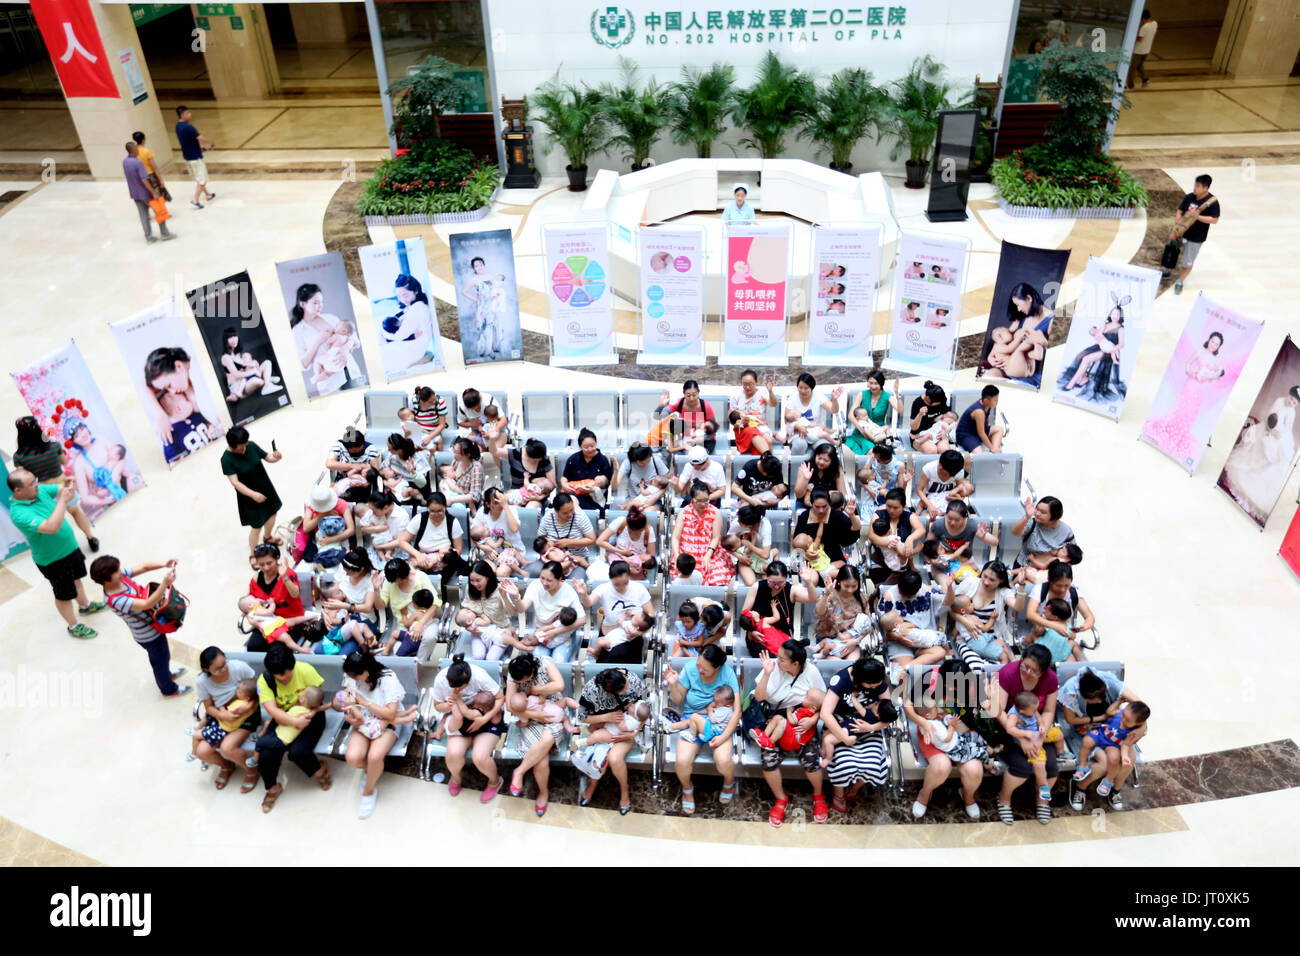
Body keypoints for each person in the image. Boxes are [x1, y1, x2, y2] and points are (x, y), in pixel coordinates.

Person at [6, 470, 106, 638]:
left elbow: (61, 490)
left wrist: (68, 485)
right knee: (63, 595)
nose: (36, 484)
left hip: (70, 548)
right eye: (31, 483)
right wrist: (64, 501)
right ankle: (73, 626)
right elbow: (51, 527)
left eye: (35, 480)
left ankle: (85, 606)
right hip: (53, 560)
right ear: (18, 491)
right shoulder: (19, 513)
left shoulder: (39, 490)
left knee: (77, 580)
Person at [745, 643, 830, 825]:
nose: (778, 660)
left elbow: (825, 702)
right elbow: (759, 697)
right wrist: (767, 673)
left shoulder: (811, 672)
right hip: (776, 717)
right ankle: (780, 798)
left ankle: (818, 795)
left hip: (803, 718)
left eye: (782, 659)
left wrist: (813, 719)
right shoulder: (774, 668)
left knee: (811, 760)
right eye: (778, 656)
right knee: (768, 760)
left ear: (796, 664)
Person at [89, 554, 190, 696]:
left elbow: (144, 567)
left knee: (163, 656)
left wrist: (164, 564)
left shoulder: (119, 577)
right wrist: (164, 585)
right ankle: (168, 688)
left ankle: (166, 674)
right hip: (148, 635)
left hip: (154, 627)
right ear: (106, 580)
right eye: (117, 572)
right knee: (160, 661)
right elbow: (146, 604)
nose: (121, 573)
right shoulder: (115, 599)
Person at [253, 644, 332, 812]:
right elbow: (272, 710)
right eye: (278, 677)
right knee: (267, 753)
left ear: (292, 666)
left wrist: (305, 717)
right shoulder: (265, 681)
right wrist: (293, 721)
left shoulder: (304, 670)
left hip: (311, 715)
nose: (283, 679)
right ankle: (272, 788)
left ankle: (319, 770)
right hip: (284, 716)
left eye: (286, 675)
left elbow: (317, 700)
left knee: (298, 752)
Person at [664, 645, 741, 814]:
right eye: (698, 664)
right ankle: (687, 789)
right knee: (682, 761)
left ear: (717, 668)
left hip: (720, 722)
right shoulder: (690, 668)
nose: (699, 669)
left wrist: (723, 737)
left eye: (704, 668)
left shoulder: (727, 674)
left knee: (723, 761)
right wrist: (674, 684)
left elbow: (737, 711)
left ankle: (729, 783)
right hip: (692, 718)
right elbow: (677, 701)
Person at [340, 651, 411, 818]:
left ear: (366, 671)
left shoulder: (387, 679)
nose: (353, 679)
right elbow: (348, 700)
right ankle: (372, 771)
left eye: (356, 675)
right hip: (365, 720)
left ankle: (368, 790)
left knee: (374, 756)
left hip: (389, 720)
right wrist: (350, 715)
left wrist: (365, 703)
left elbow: (391, 713)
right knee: (353, 758)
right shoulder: (351, 676)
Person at [993, 644, 1058, 825]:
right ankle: (1004, 800)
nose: (1028, 672)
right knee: (1022, 767)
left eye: (1034, 670)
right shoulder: (1007, 673)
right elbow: (998, 711)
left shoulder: (1051, 680)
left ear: (1044, 671)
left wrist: (1041, 735)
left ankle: (1042, 800)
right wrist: (1021, 738)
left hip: (1036, 730)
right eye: (1025, 666)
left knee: (1051, 766)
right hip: (1008, 729)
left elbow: (1049, 711)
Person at [12, 416, 97, 550]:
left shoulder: (19, 457)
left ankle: (70, 547)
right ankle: (91, 538)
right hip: (63, 485)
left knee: (56, 521)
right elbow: (64, 461)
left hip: (42, 493)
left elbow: (24, 478)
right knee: (75, 511)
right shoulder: (53, 445)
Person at [820, 657, 894, 812]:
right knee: (843, 763)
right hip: (841, 725)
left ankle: (855, 788)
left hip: (870, 726)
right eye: (872, 685)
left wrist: (871, 727)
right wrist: (844, 737)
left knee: (872, 764)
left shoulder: (878, 679)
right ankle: (838, 793)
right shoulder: (841, 680)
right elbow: (825, 714)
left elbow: (888, 714)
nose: (876, 687)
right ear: (861, 680)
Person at [503, 654, 573, 816]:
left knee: (548, 737)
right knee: (540, 761)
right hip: (530, 713)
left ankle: (519, 772)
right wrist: (535, 716)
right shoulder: (514, 675)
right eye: (518, 682)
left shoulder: (544, 662)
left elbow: (559, 685)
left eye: (524, 681)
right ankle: (543, 792)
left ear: (532, 671)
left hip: (553, 708)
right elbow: (509, 706)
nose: (521, 684)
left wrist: (536, 690)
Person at [432, 654, 506, 802]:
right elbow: (437, 706)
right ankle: (456, 778)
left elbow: (500, 698)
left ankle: (494, 781)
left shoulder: (479, 676)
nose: (456, 689)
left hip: (487, 716)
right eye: (453, 686)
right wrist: (450, 704)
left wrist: (485, 717)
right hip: (460, 718)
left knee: (480, 757)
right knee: (453, 754)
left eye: (459, 687)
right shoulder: (441, 680)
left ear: (468, 682)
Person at [574, 667, 648, 812]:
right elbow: (581, 716)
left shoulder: (632, 679)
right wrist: (605, 717)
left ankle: (624, 790)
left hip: (625, 733)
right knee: (599, 754)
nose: (628, 690)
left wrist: (634, 733)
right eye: (623, 691)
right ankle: (593, 782)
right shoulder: (592, 691)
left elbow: (646, 711)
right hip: (603, 727)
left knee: (614, 758)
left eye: (626, 684)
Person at [1221, 385, 1300, 520]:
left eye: (1294, 402)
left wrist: (1281, 435)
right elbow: (1270, 417)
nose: (1291, 403)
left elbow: (1287, 428)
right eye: (1291, 399)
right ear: (1289, 395)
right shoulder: (1280, 401)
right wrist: (1272, 430)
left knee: (1282, 454)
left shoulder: (1292, 411)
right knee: (1264, 447)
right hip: (1268, 427)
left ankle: (1263, 485)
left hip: (1279, 433)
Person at [192, 648, 261, 793]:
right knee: (202, 752)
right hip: (221, 716)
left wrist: (248, 706)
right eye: (217, 669)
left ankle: (251, 771)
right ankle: (227, 766)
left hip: (246, 716)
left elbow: (260, 691)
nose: (223, 670)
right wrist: (223, 716)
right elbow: (209, 707)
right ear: (206, 670)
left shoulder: (239, 668)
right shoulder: (202, 682)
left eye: (224, 664)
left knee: (227, 747)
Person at [290, 283, 363, 395]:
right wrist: (317, 342)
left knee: (361, 398)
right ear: (303, 304)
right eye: (315, 303)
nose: (320, 306)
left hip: (348, 369)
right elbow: (303, 364)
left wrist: (346, 348)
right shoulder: (298, 331)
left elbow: (352, 335)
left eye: (321, 302)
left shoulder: (330, 318)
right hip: (329, 380)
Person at [220, 426, 283, 554]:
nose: (246, 444)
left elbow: (268, 457)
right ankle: (253, 553)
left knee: (272, 513)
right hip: (249, 496)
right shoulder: (226, 459)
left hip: (265, 488)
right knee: (256, 527)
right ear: (233, 445)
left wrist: (276, 457)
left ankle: (268, 537)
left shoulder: (251, 446)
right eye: (243, 444)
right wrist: (253, 494)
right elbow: (235, 482)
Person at [982, 283, 1053, 387]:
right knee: (989, 377)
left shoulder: (1050, 321)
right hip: (1009, 367)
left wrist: (1043, 342)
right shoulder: (1021, 317)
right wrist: (990, 357)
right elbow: (1001, 339)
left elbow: (1054, 356)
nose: (1018, 309)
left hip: (1028, 373)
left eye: (1019, 305)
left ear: (1029, 298)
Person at [396, 492, 471, 588]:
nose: (436, 515)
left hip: (445, 559)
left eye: (440, 511)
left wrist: (440, 560)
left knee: (438, 582)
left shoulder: (452, 522)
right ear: (428, 509)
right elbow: (402, 541)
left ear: (445, 508)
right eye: (432, 511)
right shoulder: (420, 519)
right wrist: (418, 555)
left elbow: (458, 550)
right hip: (422, 557)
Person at [740, 560, 818, 652]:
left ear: (786, 579)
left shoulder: (791, 590)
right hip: (759, 637)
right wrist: (751, 632)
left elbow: (812, 598)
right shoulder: (757, 587)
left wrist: (808, 582)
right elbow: (744, 615)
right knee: (770, 658)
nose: (776, 586)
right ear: (767, 578)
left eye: (780, 582)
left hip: (783, 638)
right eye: (772, 582)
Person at [1059, 299, 1128, 398]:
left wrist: (1111, 350)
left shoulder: (1120, 328)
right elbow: (1098, 335)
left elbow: (1121, 344)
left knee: (1086, 359)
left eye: (1117, 315)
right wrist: (1097, 330)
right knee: (1080, 356)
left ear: (1120, 316)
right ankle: (1083, 378)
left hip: (1109, 351)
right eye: (1113, 313)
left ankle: (1071, 383)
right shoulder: (1106, 324)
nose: (1114, 316)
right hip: (1100, 346)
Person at [515, 562, 584, 661]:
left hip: (563, 634)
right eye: (542, 578)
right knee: (539, 663)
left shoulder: (568, 591)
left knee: (558, 662)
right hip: (541, 634)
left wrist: (555, 632)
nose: (544, 583)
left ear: (559, 579)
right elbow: (521, 608)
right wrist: (516, 597)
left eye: (549, 580)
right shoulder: (535, 585)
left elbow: (582, 620)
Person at [455, 561, 520, 661]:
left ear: (487, 577)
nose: (474, 584)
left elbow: (512, 613)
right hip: (479, 631)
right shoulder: (470, 589)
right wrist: (469, 628)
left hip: (499, 630)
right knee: (478, 656)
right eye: (472, 580)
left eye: (478, 580)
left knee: (491, 659)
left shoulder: (499, 590)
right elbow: (465, 614)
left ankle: (506, 645)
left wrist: (505, 597)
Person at [793, 489, 860, 585]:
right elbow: (796, 542)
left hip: (834, 557)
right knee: (811, 580)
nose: (821, 510)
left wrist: (852, 515)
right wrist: (805, 554)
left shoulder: (836, 515)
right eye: (817, 507)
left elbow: (854, 533)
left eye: (824, 506)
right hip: (812, 562)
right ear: (811, 503)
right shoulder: (804, 516)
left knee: (847, 576)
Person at [670, 481, 731, 586]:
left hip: (710, 551)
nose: (703, 504)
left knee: (717, 578)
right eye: (699, 501)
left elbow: (716, 537)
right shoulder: (683, 513)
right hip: (687, 555)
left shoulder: (715, 512)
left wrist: (708, 555)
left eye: (706, 500)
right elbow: (675, 538)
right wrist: (677, 558)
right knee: (683, 579)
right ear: (692, 499)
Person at [1170, 174, 1219, 294]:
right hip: (1182, 232)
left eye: (1198, 186)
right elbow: (1180, 211)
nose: (1195, 188)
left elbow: (1214, 219)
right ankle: (1167, 269)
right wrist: (1175, 228)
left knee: (1187, 261)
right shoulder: (1189, 197)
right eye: (1195, 185)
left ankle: (1180, 280)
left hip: (1196, 237)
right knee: (1171, 250)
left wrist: (1197, 216)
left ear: (1206, 188)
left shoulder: (1212, 202)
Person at [866, 488, 926, 586]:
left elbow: (921, 529)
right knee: (883, 589)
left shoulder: (909, 516)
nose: (891, 510)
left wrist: (910, 539)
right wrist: (890, 543)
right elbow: (872, 536)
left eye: (896, 508)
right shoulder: (878, 515)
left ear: (903, 507)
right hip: (881, 562)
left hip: (901, 564)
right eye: (889, 506)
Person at [1011, 494, 1075, 582]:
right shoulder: (1033, 523)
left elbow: (1072, 557)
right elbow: (1015, 532)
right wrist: (1027, 516)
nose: (1037, 513)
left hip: (1047, 574)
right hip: (1024, 566)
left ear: (1054, 516)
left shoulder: (1066, 532)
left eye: (1043, 512)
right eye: (1037, 509)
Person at [123, 141, 174, 243]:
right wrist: (153, 192)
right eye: (137, 149)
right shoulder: (138, 163)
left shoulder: (125, 161)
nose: (138, 151)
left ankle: (149, 237)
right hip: (145, 193)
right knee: (159, 211)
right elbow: (144, 179)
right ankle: (165, 234)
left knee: (143, 215)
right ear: (133, 150)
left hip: (135, 193)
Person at [845, 370, 902, 456]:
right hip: (862, 433)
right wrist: (861, 430)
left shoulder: (887, 396)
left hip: (879, 432)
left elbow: (900, 410)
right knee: (873, 451)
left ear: (881, 383)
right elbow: (851, 415)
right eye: (870, 383)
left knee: (884, 452)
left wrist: (897, 394)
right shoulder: (862, 394)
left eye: (876, 383)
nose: (873, 386)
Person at [219, 329, 282, 405]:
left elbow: (245, 366)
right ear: (225, 340)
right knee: (256, 380)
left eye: (235, 336)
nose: (234, 339)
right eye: (230, 337)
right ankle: (267, 380)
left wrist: (253, 364)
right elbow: (236, 374)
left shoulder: (237, 354)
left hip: (246, 379)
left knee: (267, 363)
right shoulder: (226, 357)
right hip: (238, 387)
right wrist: (253, 371)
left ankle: (266, 383)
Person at [594, 504, 657, 580]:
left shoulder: (648, 531)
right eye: (630, 531)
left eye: (636, 532)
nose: (631, 534)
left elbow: (651, 558)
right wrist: (621, 552)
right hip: (618, 561)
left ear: (643, 529)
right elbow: (599, 541)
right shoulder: (621, 522)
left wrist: (636, 570)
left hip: (637, 570)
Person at [326, 425, 381, 505]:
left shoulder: (371, 449)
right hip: (344, 479)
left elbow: (375, 470)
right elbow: (329, 464)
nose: (354, 451)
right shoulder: (339, 445)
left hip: (364, 481)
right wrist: (353, 466)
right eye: (351, 449)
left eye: (357, 448)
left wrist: (367, 483)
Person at [561, 428, 615, 510]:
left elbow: (606, 483)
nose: (590, 449)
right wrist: (565, 485)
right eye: (586, 447)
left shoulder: (603, 460)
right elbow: (565, 477)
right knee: (570, 501)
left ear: (596, 443)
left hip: (594, 497)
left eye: (592, 446)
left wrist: (593, 488)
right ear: (580, 446)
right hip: (574, 494)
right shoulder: (573, 459)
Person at [174, 105, 215, 208]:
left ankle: (208, 195)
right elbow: (199, 138)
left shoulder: (178, 126)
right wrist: (210, 143)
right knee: (202, 179)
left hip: (188, 156)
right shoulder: (189, 127)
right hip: (195, 158)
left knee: (198, 177)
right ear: (183, 114)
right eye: (188, 113)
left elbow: (188, 141)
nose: (190, 115)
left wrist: (199, 147)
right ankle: (195, 199)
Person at [658, 382, 718, 452]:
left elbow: (714, 429)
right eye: (688, 395)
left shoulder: (705, 406)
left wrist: (702, 438)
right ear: (684, 394)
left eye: (694, 395)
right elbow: (664, 413)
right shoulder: (680, 403)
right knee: (678, 453)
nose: (691, 398)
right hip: (685, 440)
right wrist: (662, 407)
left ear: (698, 393)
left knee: (697, 455)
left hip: (705, 441)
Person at [611, 441, 670, 511]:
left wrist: (654, 497)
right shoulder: (628, 463)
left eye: (648, 461)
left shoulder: (655, 460)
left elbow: (667, 483)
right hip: (633, 500)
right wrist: (616, 471)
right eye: (642, 462)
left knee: (648, 512)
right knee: (633, 513)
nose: (645, 463)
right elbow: (614, 487)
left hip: (653, 501)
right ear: (635, 458)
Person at [504, 437, 555, 509]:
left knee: (529, 510)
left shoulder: (537, 487)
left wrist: (540, 497)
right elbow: (495, 451)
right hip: (518, 493)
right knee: (509, 503)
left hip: (530, 499)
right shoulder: (516, 454)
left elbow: (552, 485)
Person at [954, 385, 1005, 454]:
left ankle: (995, 451)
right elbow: (981, 433)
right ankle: (993, 450)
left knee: (999, 429)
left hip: (976, 431)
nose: (997, 402)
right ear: (986, 400)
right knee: (979, 454)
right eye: (995, 400)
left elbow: (986, 423)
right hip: (966, 435)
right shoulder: (979, 412)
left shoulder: (988, 405)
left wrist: (991, 439)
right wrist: (991, 447)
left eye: (997, 399)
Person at [438, 437, 484, 511]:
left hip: (465, 503)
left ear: (468, 454)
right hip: (451, 496)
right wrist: (442, 488)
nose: (454, 455)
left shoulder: (476, 467)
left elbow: (475, 496)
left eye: (457, 453)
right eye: (454, 451)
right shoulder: (456, 461)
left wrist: (452, 500)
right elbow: (446, 476)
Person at [908, 381, 951, 453]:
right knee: (932, 450)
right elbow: (913, 427)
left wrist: (945, 431)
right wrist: (920, 415)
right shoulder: (918, 403)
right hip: (920, 436)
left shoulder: (942, 400)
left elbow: (950, 419)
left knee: (945, 450)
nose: (938, 404)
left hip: (936, 433)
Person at [130, 130, 168, 200]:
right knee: (156, 194)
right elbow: (154, 167)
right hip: (150, 176)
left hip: (140, 176)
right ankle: (159, 209)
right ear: (143, 140)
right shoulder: (147, 151)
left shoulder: (133, 152)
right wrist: (161, 180)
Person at [1129, 10, 1157, 89]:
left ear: (1143, 18)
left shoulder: (1144, 27)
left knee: (1132, 68)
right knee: (1139, 65)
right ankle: (1145, 79)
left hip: (1138, 51)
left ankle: (1130, 85)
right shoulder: (1155, 24)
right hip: (1147, 50)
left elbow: (1139, 39)